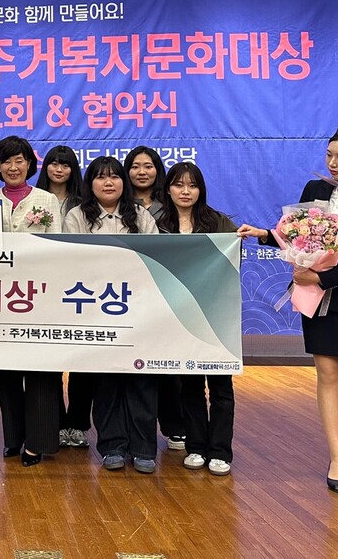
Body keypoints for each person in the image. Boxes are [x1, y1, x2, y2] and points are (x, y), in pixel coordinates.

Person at [237, 124, 338, 497]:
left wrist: (321, 278)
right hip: (317, 301)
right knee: (327, 375)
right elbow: (297, 237)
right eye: (329, 155)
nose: (332, 163)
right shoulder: (314, 190)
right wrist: (265, 235)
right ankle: (336, 456)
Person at [64, 155, 160, 473]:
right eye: (101, 177)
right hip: (96, 310)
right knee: (105, 381)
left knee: (141, 379)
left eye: (115, 176)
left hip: (138, 309)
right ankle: (112, 446)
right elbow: (71, 259)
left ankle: (144, 448)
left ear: (123, 182)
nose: (109, 182)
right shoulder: (77, 216)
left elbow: (157, 258)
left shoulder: (141, 215)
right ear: (90, 183)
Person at [0, 136, 63, 467]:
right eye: (6, 161)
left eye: (19, 160)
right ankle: (13, 438)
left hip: (39, 296)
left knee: (41, 371)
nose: (13, 167)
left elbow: (57, 247)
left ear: (30, 164)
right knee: (7, 371)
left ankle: (37, 442)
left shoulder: (47, 200)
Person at [157, 162, 238, 476]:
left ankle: (220, 450)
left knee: (220, 387)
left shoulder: (219, 222)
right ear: (168, 189)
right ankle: (196, 447)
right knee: (189, 386)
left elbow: (232, 263)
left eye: (192, 185)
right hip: (178, 316)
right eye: (178, 185)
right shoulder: (157, 224)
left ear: (201, 189)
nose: (185, 191)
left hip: (216, 314)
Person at [124, 145, 184, 452]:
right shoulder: (120, 204)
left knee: (166, 365)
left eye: (148, 166)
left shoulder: (171, 204)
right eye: (135, 166)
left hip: (164, 294)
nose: (141, 172)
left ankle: (175, 426)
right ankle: (131, 431)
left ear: (158, 170)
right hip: (126, 295)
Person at [36, 144, 90, 449]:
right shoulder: (35, 199)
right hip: (44, 288)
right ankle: (55, 423)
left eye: (65, 164)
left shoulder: (85, 202)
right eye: (54, 164)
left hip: (80, 287)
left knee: (82, 360)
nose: (59, 169)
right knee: (50, 361)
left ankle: (78, 423)